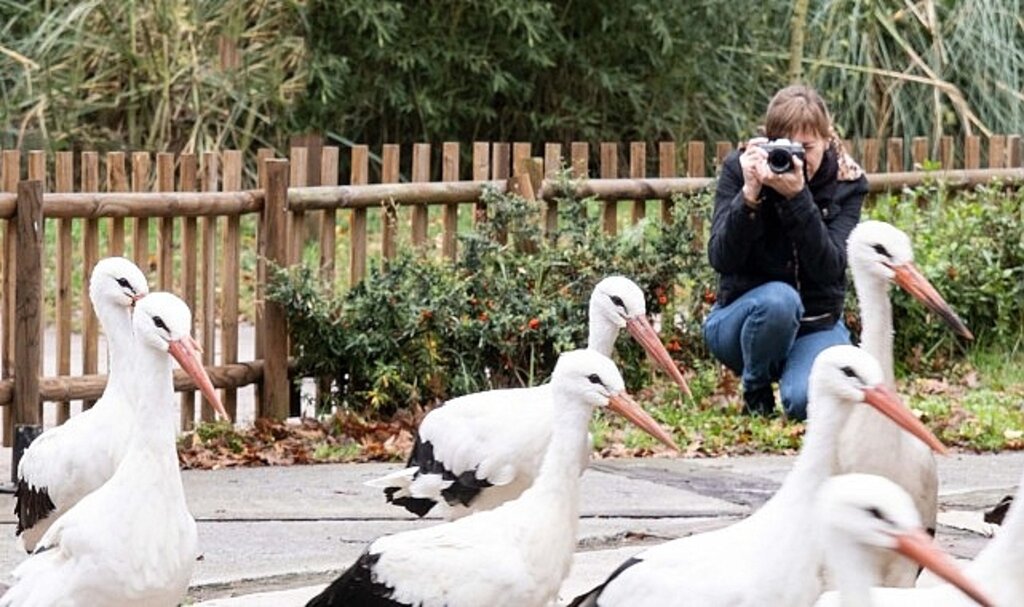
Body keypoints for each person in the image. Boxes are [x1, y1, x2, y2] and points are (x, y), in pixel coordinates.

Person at [703, 85, 868, 420]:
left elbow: (831, 268)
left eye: (806, 148)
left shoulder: (846, 182)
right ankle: (756, 391)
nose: (796, 159)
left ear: (827, 139)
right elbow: (720, 258)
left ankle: (793, 375)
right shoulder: (742, 168)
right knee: (780, 301)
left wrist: (798, 199)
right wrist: (749, 196)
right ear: (769, 141)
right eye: (786, 147)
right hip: (744, 321)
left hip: (815, 325)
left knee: (808, 403)